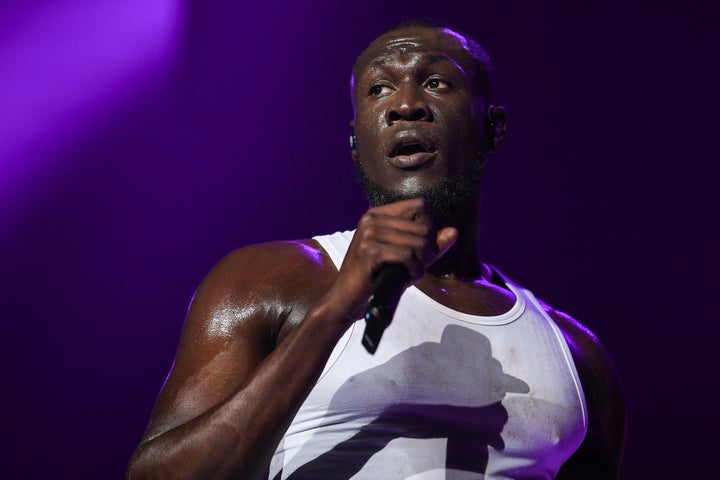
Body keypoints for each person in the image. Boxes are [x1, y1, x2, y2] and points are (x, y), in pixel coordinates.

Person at [127, 19, 626, 479]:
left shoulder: (576, 354)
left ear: (492, 128)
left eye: (435, 83)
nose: (404, 104)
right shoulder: (267, 281)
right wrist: (335, 311)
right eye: (379, 89)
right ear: (354, 139)